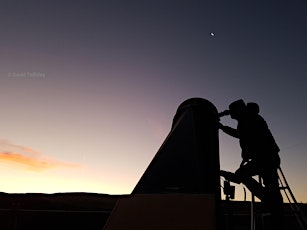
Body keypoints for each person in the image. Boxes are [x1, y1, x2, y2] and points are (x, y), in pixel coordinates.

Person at [219, 99, 283, 228]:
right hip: (266, 158)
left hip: (265, 159)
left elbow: (240, 134)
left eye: (233, 114)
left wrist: (221, 127)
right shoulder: (250, 116)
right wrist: (224, 114)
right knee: (272, 187)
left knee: (242, 175)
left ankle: (268, 201)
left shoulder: (247, 119)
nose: (232, 117)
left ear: (239, 111)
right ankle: (274, 209)